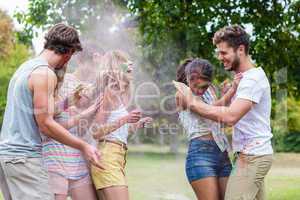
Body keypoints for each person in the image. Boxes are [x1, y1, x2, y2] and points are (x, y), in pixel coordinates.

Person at [0, 23, 102, 200]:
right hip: (25, 158)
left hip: (8, 157)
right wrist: (83, 145)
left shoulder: (25, 68)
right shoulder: (45, 74)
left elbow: (40, 111)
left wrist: (69, 101)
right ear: (68, 53)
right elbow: (46, 124)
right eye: (71, 54)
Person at [176, 25, 273, 200]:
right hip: (242, 155)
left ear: (241, 50)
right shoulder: (246, 80)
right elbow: (222, 111)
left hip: (252, 156)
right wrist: (232, 92)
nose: (219, 58)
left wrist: (194, 103)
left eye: (223, 53)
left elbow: (229, 117)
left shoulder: (251, 79)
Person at [90, 50, 152, 200]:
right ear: (117, 68)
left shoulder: (117, 95)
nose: (131, 65)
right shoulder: (109, 94)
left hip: (117, 157)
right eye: (126, 63)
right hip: (107, 157)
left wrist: (136, 124)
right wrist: (125, 119)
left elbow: (116, 132)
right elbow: (96, 132)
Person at [175, 58, 239, 200]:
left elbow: (217, 114)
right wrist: (231, 92)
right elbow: (207, 111)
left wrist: (225, 95)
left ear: (210, 82)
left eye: (204, 86)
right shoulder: (182, 93)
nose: (199, 90)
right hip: (200, 155)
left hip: (222, 153)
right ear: (188, 79)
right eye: (195, 85)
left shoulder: (210, 91)